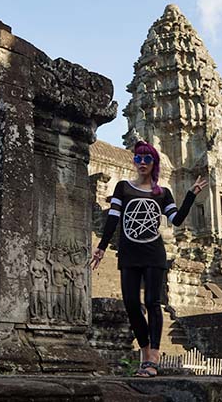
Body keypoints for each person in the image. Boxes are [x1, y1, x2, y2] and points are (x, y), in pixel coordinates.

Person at [90, 140, 208, 377]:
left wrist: (190, 195)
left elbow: (175, 220)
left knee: (154, 303)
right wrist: (102, 247)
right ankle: (145, 350)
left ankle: (152, 358)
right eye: (138, 159)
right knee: (132, 304)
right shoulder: (122, 188)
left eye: (146, 159)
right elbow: (113, 219)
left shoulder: (163, 193)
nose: (142, 163)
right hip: (129, 252)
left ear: (154, 163)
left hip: (154, 253)